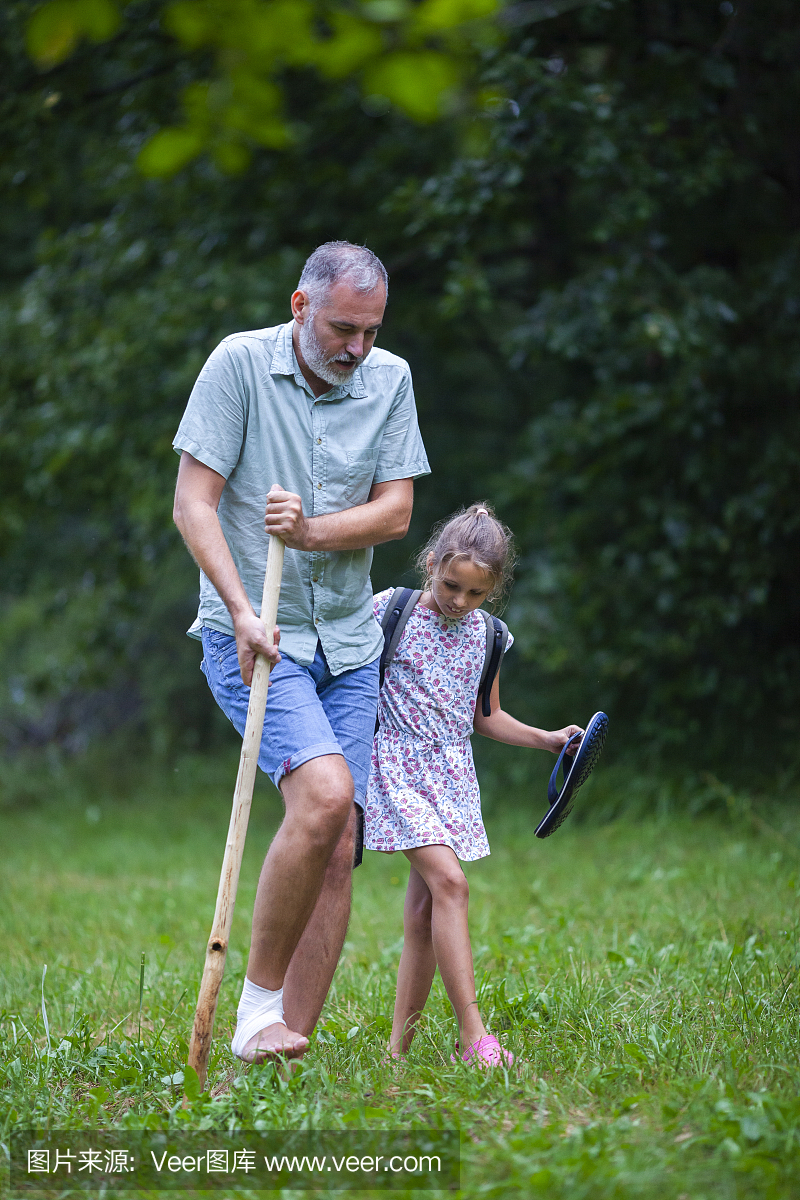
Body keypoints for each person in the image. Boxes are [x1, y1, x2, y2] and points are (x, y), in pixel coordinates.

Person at [172, 241, 430, 1064]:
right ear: (299, 306)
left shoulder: (390, 380)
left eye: (371, 330)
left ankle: (288, 1046)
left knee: (338, 844)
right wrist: (243, 611)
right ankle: (255, 1010)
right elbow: (193, 502)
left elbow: (395, 513)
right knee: (323, 798)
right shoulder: (238, 366)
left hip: (351, 642)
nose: (358, 347)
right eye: (343, 328)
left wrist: (312, 531)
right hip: (256, 637)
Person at [365, 503, 582, 1067]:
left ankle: (398, 1053)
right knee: (452, 886)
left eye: (475, 594)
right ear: (430, 564)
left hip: (452, 776)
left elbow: (485, 716)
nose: (459, 601)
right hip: (395, 768)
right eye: (450, 585)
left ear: (494, 592)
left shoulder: (489, 635)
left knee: (422, 916)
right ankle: (473, 1038)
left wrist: (548, 739)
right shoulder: (391, 610)